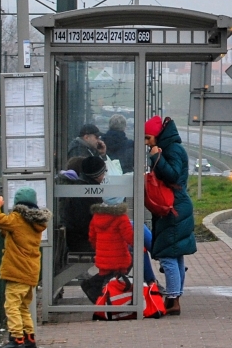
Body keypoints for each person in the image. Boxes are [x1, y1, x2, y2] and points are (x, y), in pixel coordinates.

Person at [0, 187, 50, 348]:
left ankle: (17, 338)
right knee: (23, 306)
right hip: (30, 271)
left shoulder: (16, 219)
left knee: (12, 306)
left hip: (17, 271)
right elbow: (17, 234)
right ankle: (29, 338)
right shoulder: (35, 222)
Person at [146, 115, 194, 315]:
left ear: (157, 136)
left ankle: (173, 299)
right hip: (176, 204)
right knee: (175, 253)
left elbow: (173, 175)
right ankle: (175, 297)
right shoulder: (172, 148)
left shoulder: (171, 150)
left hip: (172, 206)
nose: (147, 143)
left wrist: (156, 157)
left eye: (148, 138)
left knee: (167, 255)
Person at [81, 196, 148, 302]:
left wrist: (98, 249)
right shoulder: (120, 217)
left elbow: (92, 236)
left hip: (103, 256)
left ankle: (95, 290)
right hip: (119, 257)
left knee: (105, 275)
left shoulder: (97, 216)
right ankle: (103, 294)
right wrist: (141, 248)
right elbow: (129, 236)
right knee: (117, 279)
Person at [58, 155, 106, 252]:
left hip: (79, 239)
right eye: (104, 172)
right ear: (98, 174)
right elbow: (84, 223)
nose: (105, 175)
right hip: (82, 242)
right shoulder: (86, 192)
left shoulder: (84, 187)